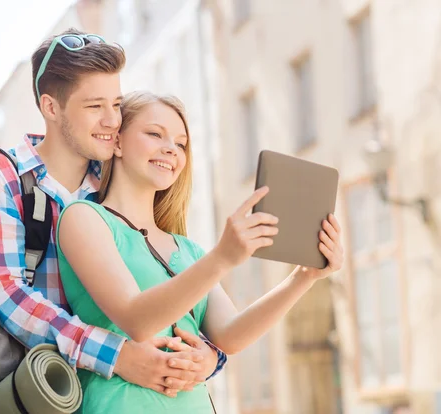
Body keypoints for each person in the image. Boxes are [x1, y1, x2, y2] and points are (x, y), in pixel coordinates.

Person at [0, 28, 227, 399]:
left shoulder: (113, 180)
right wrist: (117, 356)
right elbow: (8, 296)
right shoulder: (0, 174)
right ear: (50, 107)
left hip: (118, 395)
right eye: (94, 107)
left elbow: (166, 277)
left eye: (116, 104)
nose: (112, 121)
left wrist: (210, 356)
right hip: (38, 391)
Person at [56, 91, 345, 412]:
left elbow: (231, 337)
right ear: (118, 143)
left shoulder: (189, 249)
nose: (171, 149)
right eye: (154, 134)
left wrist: (303, 278)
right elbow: (136, 320)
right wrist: (222, 259)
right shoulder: (84, 218)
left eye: (181, 144)